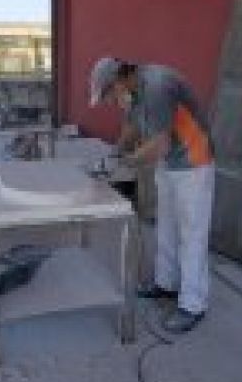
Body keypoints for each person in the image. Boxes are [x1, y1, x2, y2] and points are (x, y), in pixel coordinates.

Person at [90, 57, 215, 333]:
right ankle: (165, 284)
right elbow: (132, 127)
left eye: (109, 95)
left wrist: (127, 163)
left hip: (193, 164)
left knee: (191, 235)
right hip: (170, 164)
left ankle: (193, 305)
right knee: (166, 228)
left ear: (119, 81)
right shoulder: (134, 91)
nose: (110, 102)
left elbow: (159, 143)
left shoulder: (158, 85)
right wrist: (114, 152)